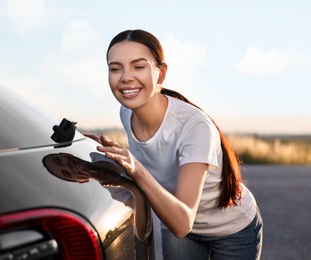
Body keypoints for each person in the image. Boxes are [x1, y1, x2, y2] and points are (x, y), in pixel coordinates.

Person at [93, 29, 263, 259]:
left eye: (138, 66)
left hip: (231, 230)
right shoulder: (126, 112)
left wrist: (136, 168)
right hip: (175, 221)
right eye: (115, 68)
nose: (125, 77)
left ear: (161, 74)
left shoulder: (194, 127)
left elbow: (183, 222)